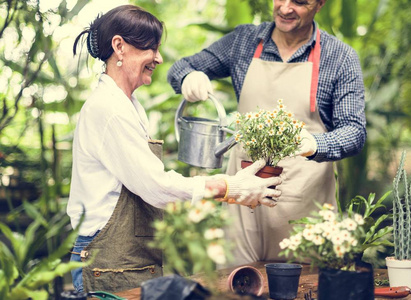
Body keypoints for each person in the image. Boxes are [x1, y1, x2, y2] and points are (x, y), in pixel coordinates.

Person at [68, 4, 282, 293]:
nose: (157, 58)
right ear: (119, 46)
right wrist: (230, 187)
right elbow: (157, 187)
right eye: (150, 48)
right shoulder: (108, 110)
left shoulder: (128, 105)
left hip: (129, 259)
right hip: (107, 262)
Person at [167, 0, 366, 266]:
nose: (285, 8)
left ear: (319, 4)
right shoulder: (244, 42)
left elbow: (354, 132)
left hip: (303, 208)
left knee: (302, 289)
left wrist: (313, 144)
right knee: (236, 287)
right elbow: (180, 67)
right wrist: (188, 78)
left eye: (299, 2)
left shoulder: (339, 57)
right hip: (243, 200)